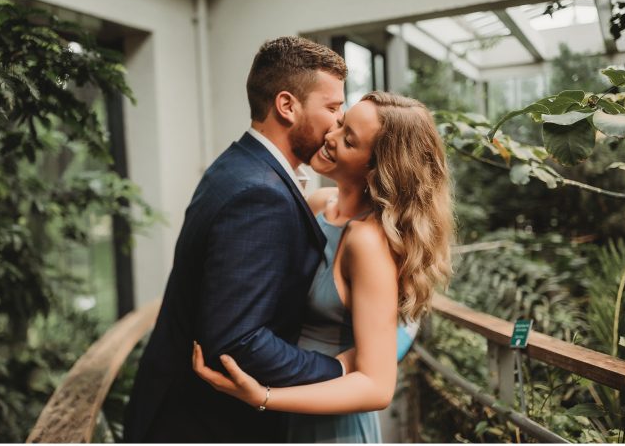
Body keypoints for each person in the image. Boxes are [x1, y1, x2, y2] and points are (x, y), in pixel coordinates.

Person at [122, 36, 353, 442]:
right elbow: (238, 341)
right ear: (287, 106)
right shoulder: (259, 194)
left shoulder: (240, 164)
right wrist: (337, 368)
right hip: (201, 423)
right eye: (332, 107)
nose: (339, 121)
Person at [192, 91, 455, 442]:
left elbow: (376, 387)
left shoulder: (367, 243)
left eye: (348, 140)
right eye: (341, 122)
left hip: (329, 424)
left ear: (376, 169)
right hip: (284, 404)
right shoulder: (317, 204)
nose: (330, 137)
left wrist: (265, 397)